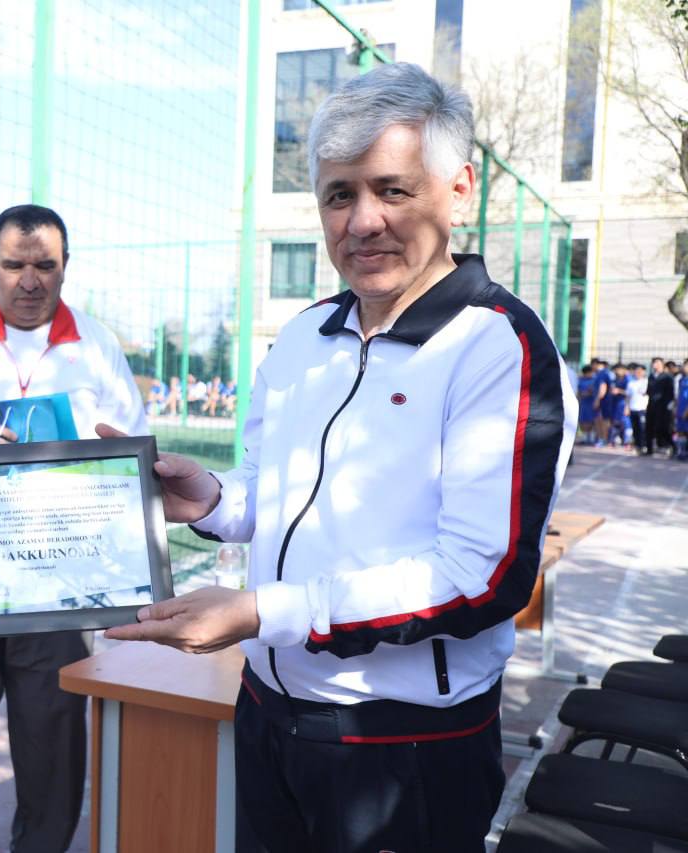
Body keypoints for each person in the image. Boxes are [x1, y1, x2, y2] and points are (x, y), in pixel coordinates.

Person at [101, 63, 576, 853]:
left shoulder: (500, 346)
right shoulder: (304, 335)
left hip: (402, 745)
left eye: (392, 190)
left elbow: (482, 575)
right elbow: (272, 489)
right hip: (268, 709)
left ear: (459, 192)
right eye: (339, 194)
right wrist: (211, 497)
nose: (362, 221)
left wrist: (265, 611)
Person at [0, 204, 148, 853]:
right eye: (14, 264)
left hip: (58, 589)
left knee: (53, 746)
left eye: (45, 265)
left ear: (66, 266)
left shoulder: (96, 346)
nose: (30, 280)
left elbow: (133, 447)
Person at [646, 357, 673, 456]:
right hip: (651, 405)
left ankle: (668, 446)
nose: (655, 364)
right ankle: (649, 449)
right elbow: (649, 390)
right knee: (649, 427)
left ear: (662, 364)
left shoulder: (667, 377)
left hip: (663, 407)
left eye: (657, 362)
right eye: (654, 362)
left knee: (663, 427)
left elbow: (670, 393)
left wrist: (668, 405)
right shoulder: (651, 376)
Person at [627, 363, 648, 452]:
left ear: (643, 372)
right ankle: (637, 445)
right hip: (633, 408)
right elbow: (628, 396)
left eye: (640, 371)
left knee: (642, 428)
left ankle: (644, 445)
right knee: (635, 428)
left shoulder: (646, 382)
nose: (638, 373)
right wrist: (627, 407)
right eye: (636, 371)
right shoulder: (631, 383)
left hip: (643, 409)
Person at [577, 364, 597, 445]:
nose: (592, 374)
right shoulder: (580, 380)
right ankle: (585, 438)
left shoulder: (594, 380)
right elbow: (579, 392)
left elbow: (594, 391)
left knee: (592, 421)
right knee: (583, 421)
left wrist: (589, 393)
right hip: (583, 404)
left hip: (592, 403)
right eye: (590, 372)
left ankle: (591, 438)